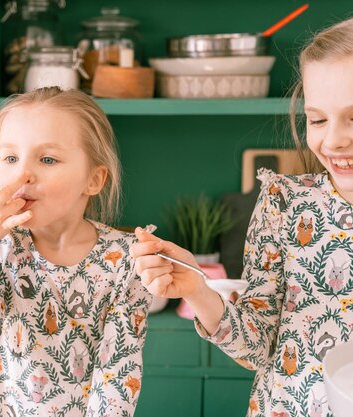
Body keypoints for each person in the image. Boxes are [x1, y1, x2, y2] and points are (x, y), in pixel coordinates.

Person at [130, 18, 353, 417]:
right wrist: (198, 288)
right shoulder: (284, 205)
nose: (333, 138)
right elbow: (257, 347)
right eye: (317, 119)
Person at [0, 87, 151, 417]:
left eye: (47, 159)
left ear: (94, 179)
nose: (23, 174)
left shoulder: (124, 259)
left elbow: (117, 378)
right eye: (11, 158)